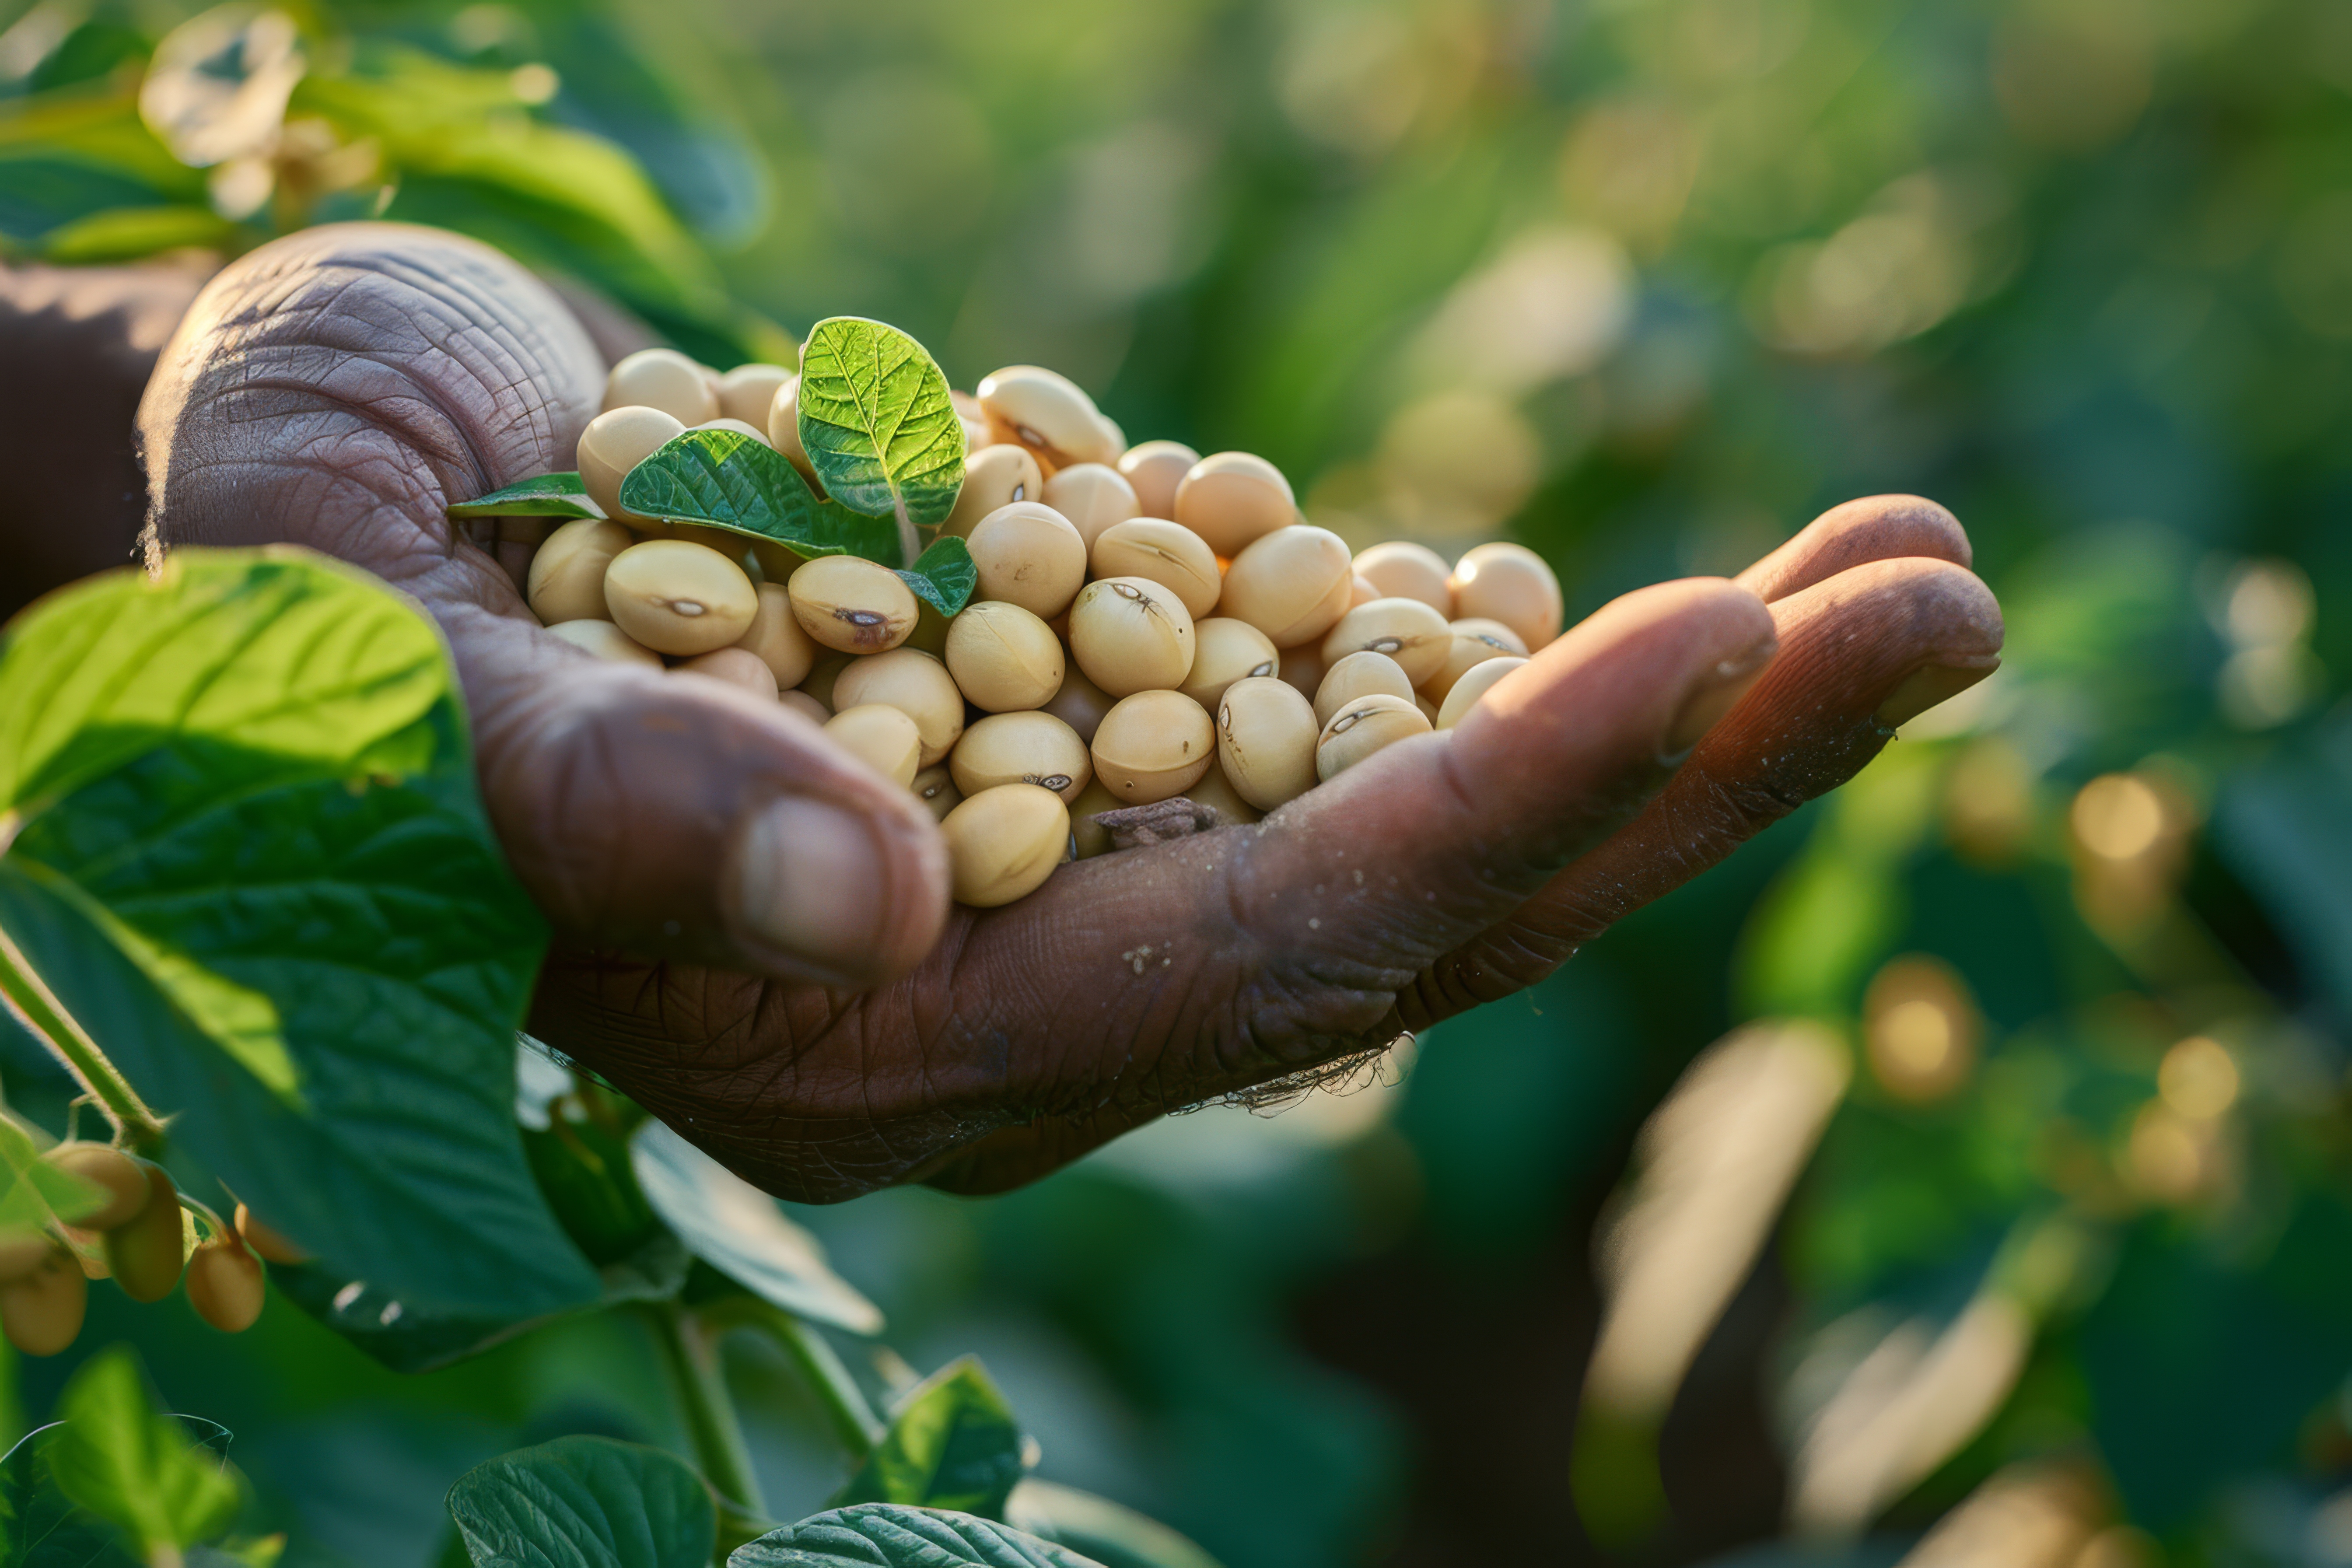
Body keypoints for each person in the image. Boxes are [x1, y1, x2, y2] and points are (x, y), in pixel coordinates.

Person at [4, 223, 2003, 1204]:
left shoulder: (1081, 603)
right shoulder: (759, 549)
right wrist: (258, 384)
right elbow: (911, 609)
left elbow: (1079, 621)